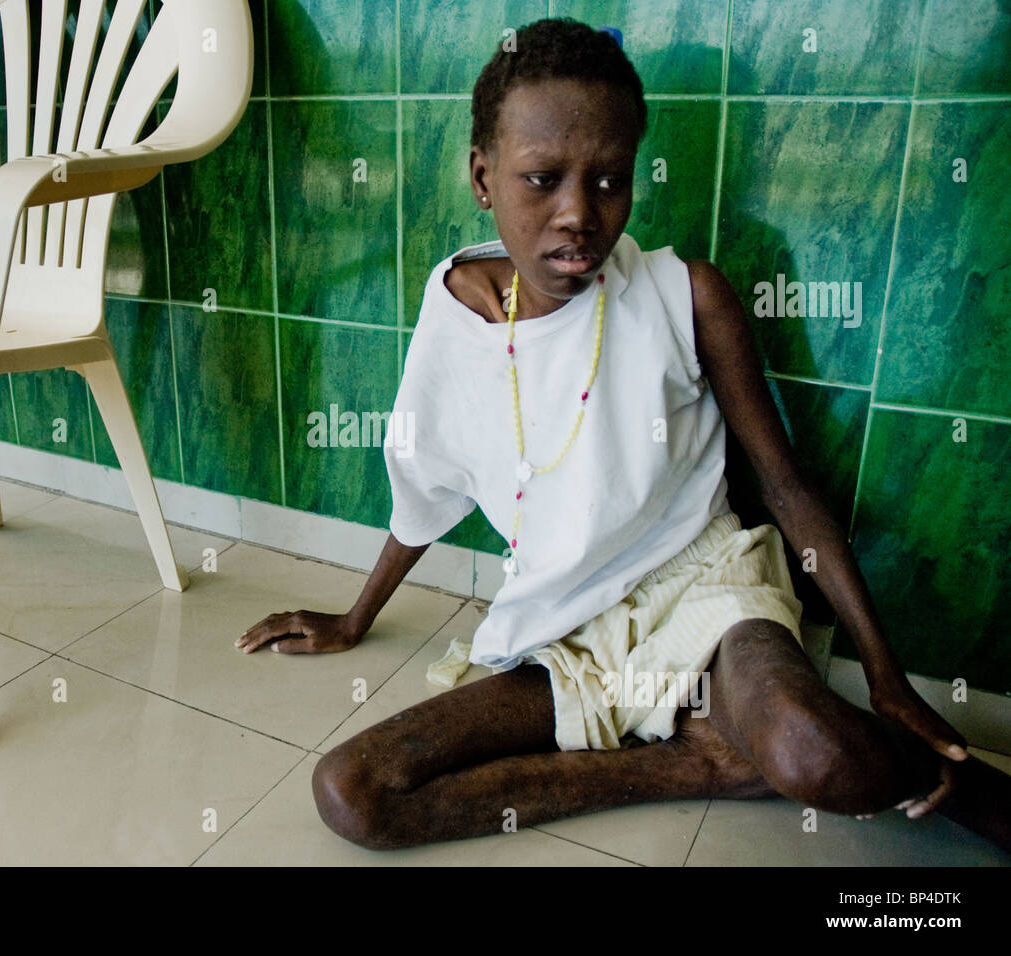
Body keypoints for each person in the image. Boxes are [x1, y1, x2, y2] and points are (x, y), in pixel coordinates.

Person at [235, 19, 1011, 852]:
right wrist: (356, 618)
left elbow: (785, 486)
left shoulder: (686, 295)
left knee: (817, 752)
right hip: (564, 623)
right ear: (482, 178)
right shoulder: (455, 312)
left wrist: (886, 678)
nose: (579, 214)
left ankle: (952, 785)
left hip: (707, 597)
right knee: (353, 793)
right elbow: (429, 480)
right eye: (543, 179)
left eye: (609, 180)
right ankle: (701, 764)